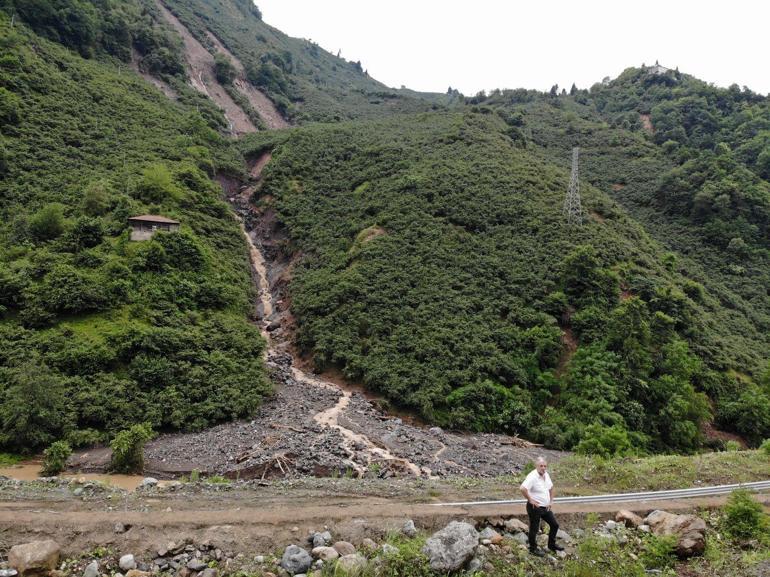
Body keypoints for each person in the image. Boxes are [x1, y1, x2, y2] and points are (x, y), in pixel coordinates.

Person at [520, 456, 563, 556]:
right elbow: (522, 488)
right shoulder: (532, 476)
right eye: (541, 466)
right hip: (535, 507)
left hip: (545, 507)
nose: (543, 468)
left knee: (554, 525)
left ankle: (551, 545)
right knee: (534, 528)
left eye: (545, 466)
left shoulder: (546, 474)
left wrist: (551, 501)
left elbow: (551, 488)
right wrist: (530, 500)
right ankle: (533, 549)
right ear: (536, 466)